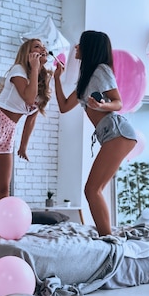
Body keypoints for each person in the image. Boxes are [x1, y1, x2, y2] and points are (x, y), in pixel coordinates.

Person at [53, 31, 137, 236]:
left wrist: (101, 105)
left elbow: (118, 102)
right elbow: (64, 106)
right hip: (110, 135)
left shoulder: (101, 70)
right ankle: (106, 235)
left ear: (90, 48)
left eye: (80, 44)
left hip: (118, 132)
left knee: (92, 190)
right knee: (93, 190)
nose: (76, 48)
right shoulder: (87, 78)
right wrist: (56, 78)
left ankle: (107, 238)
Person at [0, 38, 52, 235]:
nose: (42, 49)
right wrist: (33, 69)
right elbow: (28, 98)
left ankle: (0, 230)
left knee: (3, 188)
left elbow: (32, 116)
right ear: (27, 52)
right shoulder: (18, 70)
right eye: (37, 46)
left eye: (44, 47)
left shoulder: (40, 81)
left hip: (10, 129)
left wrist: (23, 146)